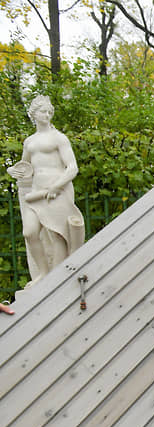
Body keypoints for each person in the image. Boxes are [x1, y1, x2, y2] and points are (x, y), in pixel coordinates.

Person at [7, 95, 84, 286]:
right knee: (30, 233)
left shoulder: (59, 138)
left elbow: (72, 167)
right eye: (43, 111)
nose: (47, 115)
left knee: (58, 235)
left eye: (50, 111)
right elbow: (25, 168)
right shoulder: (29, 142)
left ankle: (56, 279)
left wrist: (57, 186)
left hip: (57, 192)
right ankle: (42, 273)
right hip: (36, 193)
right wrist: (12, 170)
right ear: (34, 114)